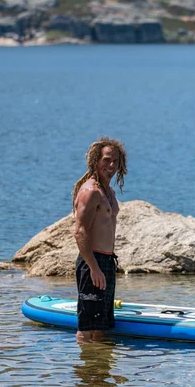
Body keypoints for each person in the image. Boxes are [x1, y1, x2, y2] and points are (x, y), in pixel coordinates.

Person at [72, 137, 127, 344]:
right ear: (96, 161)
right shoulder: (90, 191)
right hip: (92, 263)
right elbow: (80, 231)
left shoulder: (109, 192)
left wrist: (103, 267)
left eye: (115, 161)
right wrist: (93, 267)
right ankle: (86, 374)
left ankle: (99, 372)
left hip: (106, 262)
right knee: (87, 328)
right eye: (106, 160)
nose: (111, 166)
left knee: (101, 327)